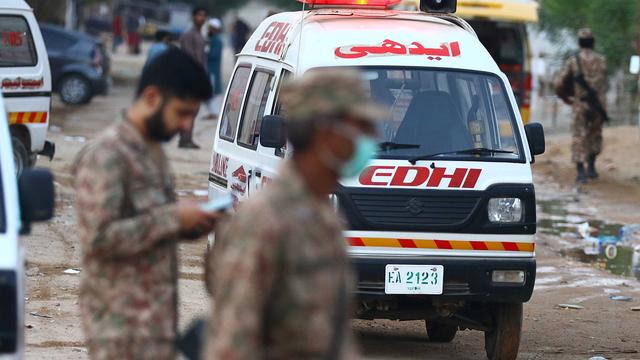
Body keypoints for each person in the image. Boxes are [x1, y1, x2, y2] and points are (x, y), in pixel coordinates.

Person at [204, 69, 385, 359]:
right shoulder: (264, 221)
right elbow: (231, 343)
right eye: (361, 127)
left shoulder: (321, 216)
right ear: (327, 133)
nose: (372, 137)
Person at [73, 48, 218, 360]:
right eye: (181, 113)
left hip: (156, 327)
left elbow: (148, 228)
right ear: (152, 97)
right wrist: (174, 218)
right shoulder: (107, 154)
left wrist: (194, 223)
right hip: (119, 332)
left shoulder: (151, 151)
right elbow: (98, 239)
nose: (184, 126)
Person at [554, 28, 608, 184]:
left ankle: (581, 172)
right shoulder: (602, 60)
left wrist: (566, 98)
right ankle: (591, 167)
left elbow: (559, 83)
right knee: (595, 134)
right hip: (598, 106)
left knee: (579, 136)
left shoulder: (574, 61)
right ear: (592, 42)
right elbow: (603, 82)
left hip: (581, 104)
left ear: (579, 42)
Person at [178, 6, 208, 148]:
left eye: (203, 16)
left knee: (194, 110)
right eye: (199, 15)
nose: (202, 18)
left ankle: (187, 138)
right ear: (193, 17)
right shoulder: (188, 35)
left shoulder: (199, 35)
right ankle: (184, 139)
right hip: (190, 78)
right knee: (188, 109)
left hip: (198, 78)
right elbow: (190, 58)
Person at [206, 18, 224, 120]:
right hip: (210, 69)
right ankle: (212, 112)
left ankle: (214, 112)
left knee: (213, 91)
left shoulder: (216, 40)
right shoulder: (212, 39)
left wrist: (205, 53)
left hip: (213, 69)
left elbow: (214, 55)